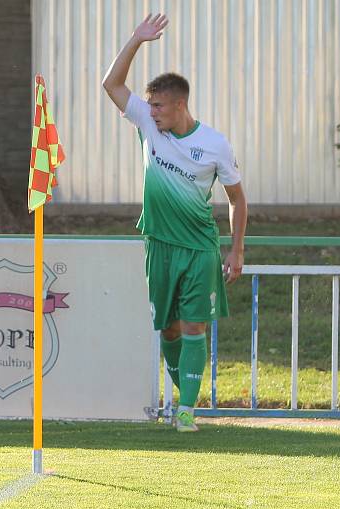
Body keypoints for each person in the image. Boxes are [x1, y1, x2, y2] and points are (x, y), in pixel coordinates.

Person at [101, 14, 247, 432]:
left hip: (200, 247)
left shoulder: (215, 144)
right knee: (168, 329)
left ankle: (186, 409)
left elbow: (237, 199)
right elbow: (111, 85)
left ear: (179, 105)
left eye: (158, 105)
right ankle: (181, 390)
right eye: (149, 105)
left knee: (193, 323)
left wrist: (236, 249)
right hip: (159, 244)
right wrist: (135, 40)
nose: (151, 111)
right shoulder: (149, 125)